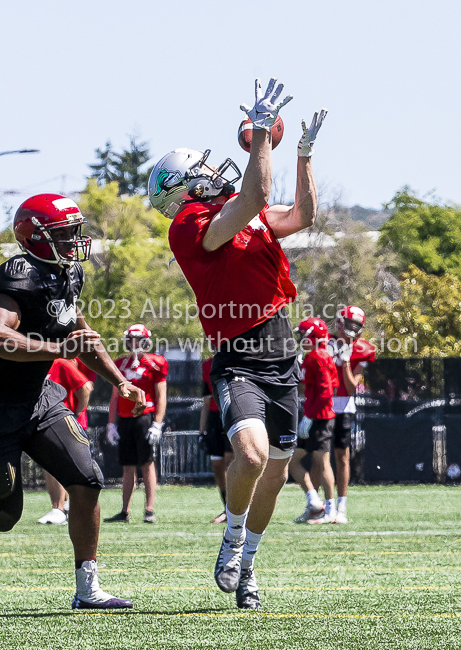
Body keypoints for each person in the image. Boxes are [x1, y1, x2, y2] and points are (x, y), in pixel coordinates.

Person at [148, 77, 327, 609]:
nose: (212, 173)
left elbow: (302, 215)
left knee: (276, 474)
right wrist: (261, 142)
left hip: (283, 354)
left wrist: (302, 154)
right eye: (199, 172)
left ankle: (246, 563)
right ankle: (230, 537)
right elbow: (255, 196)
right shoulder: (190, 223)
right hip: (239, 360)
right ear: (183, 189)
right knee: (248, 457)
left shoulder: (238, 215)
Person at [0, 193, 146, 610]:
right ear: (35, 237)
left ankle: (87, 589)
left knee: (87, 478)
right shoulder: (20, 272)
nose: (74, 240)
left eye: (74, 232)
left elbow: (80, 336)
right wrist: (57, 347)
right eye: (64, 234)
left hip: (40, 399)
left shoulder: (66, 274)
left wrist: (120, 382)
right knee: (3, 517)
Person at [103, 324, 168, 524]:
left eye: (137, 339)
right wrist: (111, 424)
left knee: (147, 463)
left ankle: (149, 510)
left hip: (144, 418)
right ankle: (125, 511)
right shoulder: (120, 364)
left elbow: (161, 395)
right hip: (125, 418)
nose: (134, 343)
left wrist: (157, 423)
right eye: (131, 339)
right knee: (127, 465)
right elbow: (114, 396)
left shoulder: (156, 363)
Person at [322, 306, 376, 524]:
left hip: (343, 405)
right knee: (319, 457)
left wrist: (345, 361)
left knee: (341, 456)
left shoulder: (362, 349)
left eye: (357, 327)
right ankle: (324, 506)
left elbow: (351, 386)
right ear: (339, 323)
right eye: (349, 325)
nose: (352, 331)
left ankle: (341, 507)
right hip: (322, 404)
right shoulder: (324, 342)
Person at [289, 318, 339, 524]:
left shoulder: (318, 356)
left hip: (320, 418)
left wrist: (310, 417)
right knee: (293, 462)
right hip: (314, 416)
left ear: (313, 336)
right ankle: (314, 503)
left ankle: (331, 511)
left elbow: (327, 392)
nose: (301, 339)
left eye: (304, 335)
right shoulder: (315, 356)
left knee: (323, 463)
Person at [37, 357, 95, 525]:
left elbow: (85, 387)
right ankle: (66, 505)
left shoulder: (60, 363)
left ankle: (58, 509)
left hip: (63, 422)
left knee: (53, 465)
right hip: (47, 422)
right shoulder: (38, 363)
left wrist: (77, 412)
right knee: (59, 466)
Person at [199, 356, 233, 524]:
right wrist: (201, 431)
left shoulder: (238, 358)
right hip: (215, 417)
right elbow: (206, 400)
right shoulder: (207, 365)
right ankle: (228, 508)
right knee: (217, 464)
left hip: (234, 413)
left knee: (231, 462)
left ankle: (239, 508)